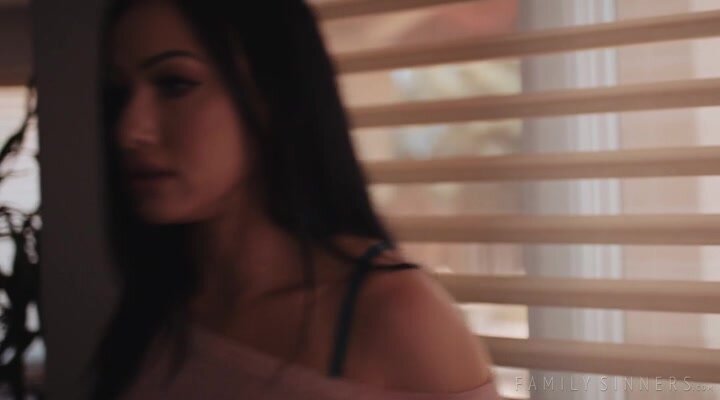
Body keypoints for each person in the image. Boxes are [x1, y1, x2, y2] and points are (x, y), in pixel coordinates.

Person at [91, 0, 500, 399]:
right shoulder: (159, 305)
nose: (129, 131)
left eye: (174, 84)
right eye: (119, 92)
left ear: (271, 95)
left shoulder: (394, 315)